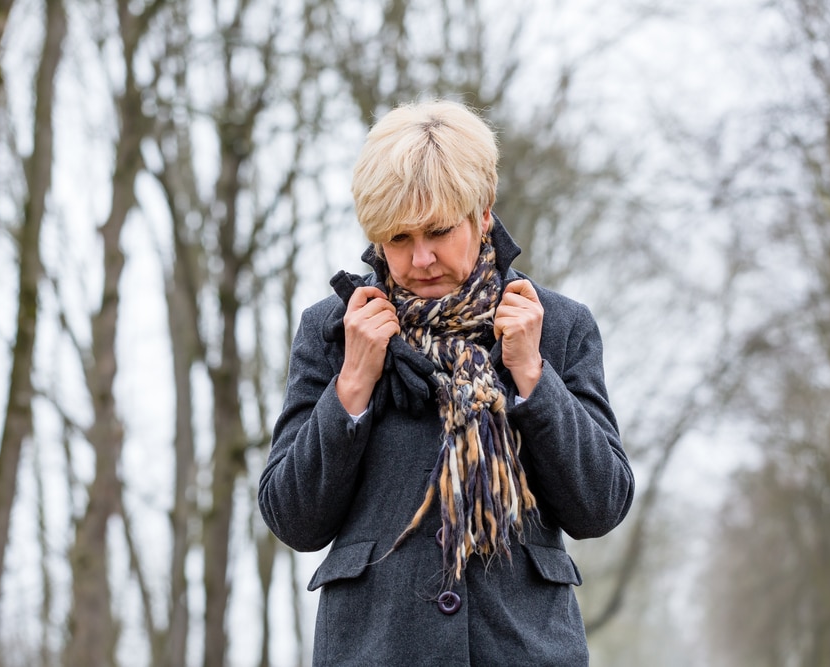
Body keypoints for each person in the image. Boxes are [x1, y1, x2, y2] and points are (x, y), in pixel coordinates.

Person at [258, 99, 634, 666]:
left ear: (483, 213)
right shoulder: (331, 330)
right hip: (374, 651)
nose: (421, 258)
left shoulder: (556, 326)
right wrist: (353, 382)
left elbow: (600, 506)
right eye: (399, 238)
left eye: (437, 230)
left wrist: (533, 375)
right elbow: (292, 517)